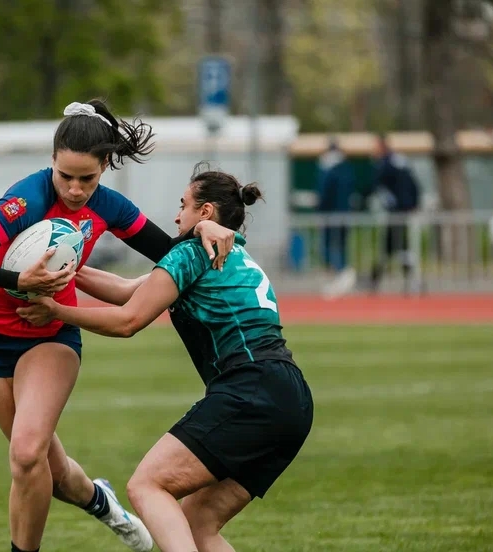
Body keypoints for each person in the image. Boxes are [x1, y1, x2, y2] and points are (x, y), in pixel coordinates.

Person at [0, 101, 236, 552]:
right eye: (66, 176)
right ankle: (101, 501)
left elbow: (167, 251)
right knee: (53, 473)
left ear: (105, 167)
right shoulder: (26, 201)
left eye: (87, 179)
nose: (75, 190)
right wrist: (18, 280)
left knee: (26, 454)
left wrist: (203, 230)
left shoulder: (110, 206)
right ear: (52, 162)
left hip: (49, 335)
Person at [17, 164, 314, 552]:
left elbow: (129, 320)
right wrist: (63, 262)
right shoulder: (229, 256)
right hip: (291, 400)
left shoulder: (193, 252)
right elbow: (127, 290)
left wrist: (57, 312)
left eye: (183, 205)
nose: (176, 216)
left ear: (205, 212)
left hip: (251, 389)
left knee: (147, 485)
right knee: (198, 525)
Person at [365, 135, 421, 294]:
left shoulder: (385, 164)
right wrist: (414, 203)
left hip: (397, 211)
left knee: (395, 246)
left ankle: (378, 280)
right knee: (399, 246)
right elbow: (413, 184)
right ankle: (409, 281)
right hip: (404, 209)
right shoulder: (400, 161)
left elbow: (378, 186)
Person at [316, 137, 357, 298]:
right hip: (345, 213)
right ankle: (341, 276)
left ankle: (340, 277)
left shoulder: (328, 168)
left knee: (330, 248)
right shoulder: (347, 168)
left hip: (331, 214)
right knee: (341, 246)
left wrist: (320, 208)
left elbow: (324, 193)